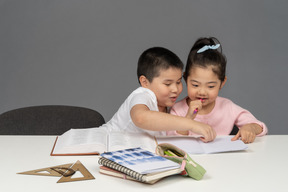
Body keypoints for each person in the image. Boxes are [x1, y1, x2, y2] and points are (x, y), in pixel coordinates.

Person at [102, 47, 216, 142]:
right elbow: (140, 118)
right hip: (100, 144)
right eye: (167, 84)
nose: (175, 89)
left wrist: (189, 118)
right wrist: (191, 124)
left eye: (178, 82)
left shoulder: (164, 105)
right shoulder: (142, 94)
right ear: (145, 82)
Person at [167, 37, 268, 143]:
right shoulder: (177, 110)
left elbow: (260, 126)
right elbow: (173, 140)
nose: (202, 92)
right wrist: (188, 119)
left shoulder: (227, 107)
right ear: (185, 79)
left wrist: (250, 128)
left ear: (222, 83)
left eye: (210, 86)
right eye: (195, 85)